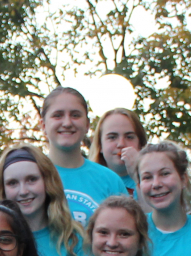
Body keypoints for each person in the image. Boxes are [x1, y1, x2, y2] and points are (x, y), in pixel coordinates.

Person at [0, 145, 93, 256]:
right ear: (2, 189)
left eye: (31, 179)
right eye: (13, 183)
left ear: (47, 182)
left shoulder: (74, 238)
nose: (23, 191)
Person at [39, 87, 128, 220]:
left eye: (75, 115)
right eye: (58, 115)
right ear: (44, 125)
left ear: (87, 124)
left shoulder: (110, 181)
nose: (67, 123)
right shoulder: (29, 176)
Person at [91, 108, 147, 195]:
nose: (121, 144)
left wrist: (138, 176)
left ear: (140, 145)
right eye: (112, 137)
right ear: (100, 145)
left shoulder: (155, 181)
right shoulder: (89, 182)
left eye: (129, 137)